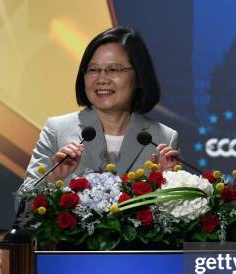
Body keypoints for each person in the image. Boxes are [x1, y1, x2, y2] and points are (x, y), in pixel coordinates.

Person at [19, 26, 179, 190]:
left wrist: (166, 186)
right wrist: (52, 179)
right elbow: (23, 210)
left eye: (114, 69)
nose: (102, 79)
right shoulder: (57, 130)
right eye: (94, 69)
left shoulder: (162, 138)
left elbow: (176, 212)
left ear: (139, 76)